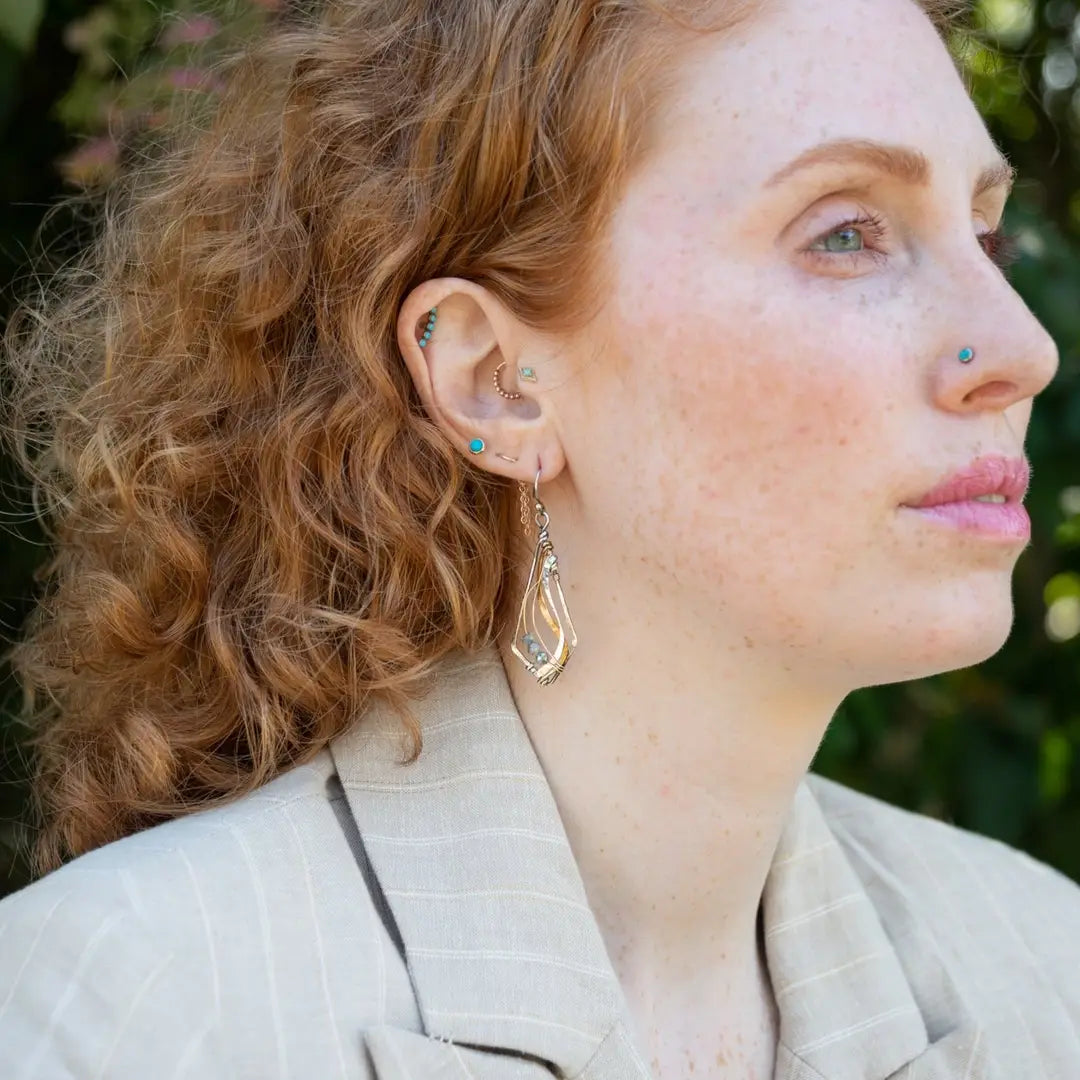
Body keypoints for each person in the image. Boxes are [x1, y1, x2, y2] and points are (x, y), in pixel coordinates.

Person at [1, 0, 1077, 1076]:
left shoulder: (1044, 970)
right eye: (845, 234)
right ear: (495, 382)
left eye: (987, 238)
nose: (1024, 350)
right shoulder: (134, 1008)